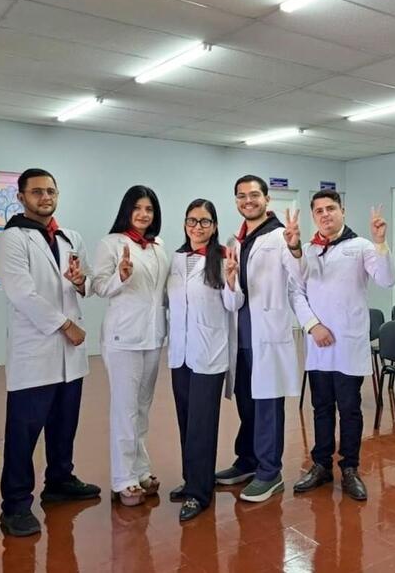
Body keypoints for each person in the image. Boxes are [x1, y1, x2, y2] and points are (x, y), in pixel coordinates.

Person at [0, 168, 100, 537]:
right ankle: (15, 505)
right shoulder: (12, 240)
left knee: (63, 425)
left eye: (51, 191)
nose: (45, 197)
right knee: (24, 433)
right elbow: (23, 294)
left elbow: (85, 282)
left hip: (70, 358)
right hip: (36, 352)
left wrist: (81, 282)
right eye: (37, 191)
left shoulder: (70, 237)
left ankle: (59, 482)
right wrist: (66, 326)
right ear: (21, 197)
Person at [291, 191, 395, 500]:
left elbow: (387, 279)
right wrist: (313, 325)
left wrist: (381, 242)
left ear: (343, 211)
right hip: (319, 344)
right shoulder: (307, 251)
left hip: (348, 344)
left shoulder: (362, 246)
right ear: (314, 216)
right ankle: (321, 465)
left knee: (349, 410)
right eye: (319, 210)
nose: (325, 214)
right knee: (321, 407)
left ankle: (350, 467)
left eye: (331, 208)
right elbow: (296, 292)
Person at [215, 174, 304, 503]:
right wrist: (229, 282)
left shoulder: (281, 236)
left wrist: (295, 248)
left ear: (267, 199)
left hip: (267, 335)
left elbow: (299, 277)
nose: (248, 200)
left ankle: (270, 472)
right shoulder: (236, 241)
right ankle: (248, 461)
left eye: (254, 195)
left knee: (267, 405)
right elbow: (234, 300)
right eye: (241, 196)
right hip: (241, 336)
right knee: (247, 403)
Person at [92, 186, 169, 507]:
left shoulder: (158, 246)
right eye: (137, 208)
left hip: (152, 336)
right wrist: (120, 277)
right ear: (127, 210)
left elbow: (163, 291)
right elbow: (98, 286)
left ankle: (140, 469)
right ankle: (123, 478)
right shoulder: (111, 243)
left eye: (149, 209)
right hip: (123, 337)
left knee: (142, 407)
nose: (143, 214)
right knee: (125, 409)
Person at [167, 199, 242, 521]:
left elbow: (234, 304)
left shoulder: (223, 258)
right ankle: (192, 479)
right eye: (192, 221)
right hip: (180, 354)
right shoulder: (175, 259)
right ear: (185, 224)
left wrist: (232, 280)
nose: (198, 227)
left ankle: (199, 494)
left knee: (202, 424)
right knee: (186, 421)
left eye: (205, 221)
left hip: (209, 354)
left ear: (214, 226)